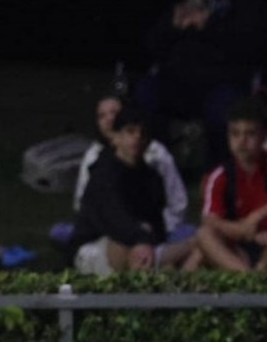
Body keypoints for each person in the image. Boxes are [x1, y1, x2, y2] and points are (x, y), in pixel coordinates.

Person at [139, 0, 267, 172]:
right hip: (179, 85)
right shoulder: (184, 5)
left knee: (222, 105)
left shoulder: (242, 5)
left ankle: (218, 172)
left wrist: (208, 25)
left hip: (221, 85)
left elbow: (255, 47)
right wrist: (172, 27)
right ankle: (157, 165)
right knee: (146, 92)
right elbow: (152, 46)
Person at [68, 106, 201, 275]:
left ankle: (175, 291)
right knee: (127, 247)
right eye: (130, 132)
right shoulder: (103, 174)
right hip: (97, 246)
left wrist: (146, 236)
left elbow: (157, 225)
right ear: (116, 137)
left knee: (200, 245)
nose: (137, 138)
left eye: (142, 133)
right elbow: (114, 222)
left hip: (144, 245)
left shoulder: (151, 177)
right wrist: (141, 235)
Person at [195, 95, 267, 271]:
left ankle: (264, 267)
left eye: (250, 133)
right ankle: (248, 276)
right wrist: (247, 232)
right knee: (203, 235)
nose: (241, 142)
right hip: (242, 245)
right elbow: (210, 220)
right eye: (235, 133)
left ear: (264, 135)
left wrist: (258, 216)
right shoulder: (220, 175)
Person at [71, 93, 193, 242]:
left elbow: (176, 203)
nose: (109, 119)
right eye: (102, 116)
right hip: (112, 233)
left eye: (114, 113)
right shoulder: (96, 162)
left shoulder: (154, 158)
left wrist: (156, 230)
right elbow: (89, 206)